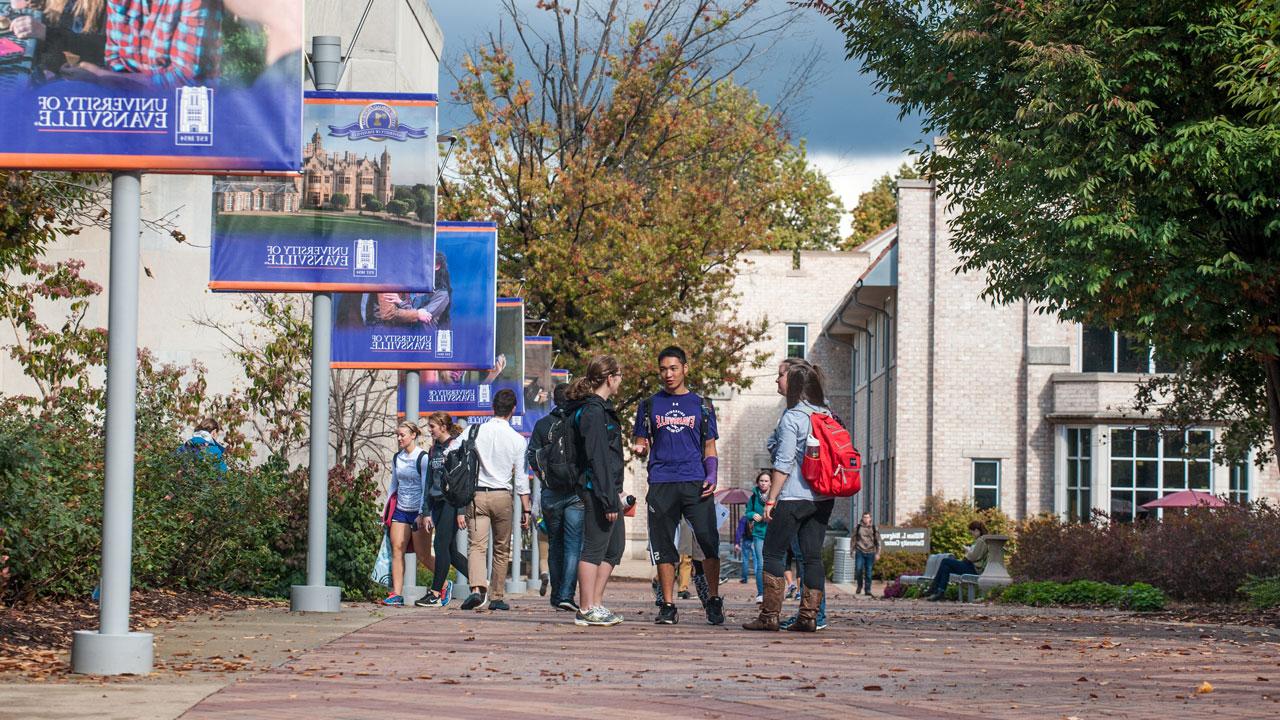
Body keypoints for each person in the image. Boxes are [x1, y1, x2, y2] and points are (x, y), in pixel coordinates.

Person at [633, 346, 725, 626]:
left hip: (695, 482)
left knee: (708, 543)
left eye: (673, 368)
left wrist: (712, 476)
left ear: (685, 368)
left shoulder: (702, 405)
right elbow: (641, 440)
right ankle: (668, 605)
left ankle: (712, 600)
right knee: (663, 547)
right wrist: (639, 447)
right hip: (661, 482)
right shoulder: (648, 405)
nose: (668, 374)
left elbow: (710, 447)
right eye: (663, 369)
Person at [744, 358, 835, 633]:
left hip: (794, 495)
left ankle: (768, 616)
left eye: (781, 376)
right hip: (822, 497)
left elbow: (783, 463)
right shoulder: (826, 414)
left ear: (794, 383)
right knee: (812, 557)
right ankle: (809, 617)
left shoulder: (793, 417)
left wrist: (770, 499)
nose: (777, 380)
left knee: (772, 552)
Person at [564, 354, 627, 627]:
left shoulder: (599, 409)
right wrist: (607, 499)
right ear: (610, 378)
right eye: (620, 375)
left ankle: (596, 604)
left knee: (614, 547)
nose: (621, 380)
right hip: (598, 491)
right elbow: (596, 458)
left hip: (608, 489)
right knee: (594, 548)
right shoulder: (591, 411)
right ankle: (586, 607)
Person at [458, 389, 530, 612]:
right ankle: (497, 596)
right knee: (501, 547)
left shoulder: (474, 431)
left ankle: (477, 590)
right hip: (502, 495)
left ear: (493, 407)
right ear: (513, 410)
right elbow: (520, 479)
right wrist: (526, 509)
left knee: (477, 546)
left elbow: (454, 449)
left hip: (476, 495)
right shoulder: (518, 440)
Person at [63, 0, 224, 88]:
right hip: (131, 103)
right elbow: (114, 59)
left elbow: (185, 80)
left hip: (183, 117)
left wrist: (101, 77)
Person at [527, 382, 583, 612]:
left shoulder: (542, 425)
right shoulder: (578, 422)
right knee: (573, 545)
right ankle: (566, 595)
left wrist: (544, 474)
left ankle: (555, 594)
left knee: (554, 544)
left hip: (550, 492)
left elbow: (532, 456)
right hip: (575, 493)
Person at [413, 412, 468, 608]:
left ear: (443, 427)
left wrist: (461, 510)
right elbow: (429, 481)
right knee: (451, 552)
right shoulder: (434, 450)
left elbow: (461, 482)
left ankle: (436, 593)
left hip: (450, 503)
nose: (430, 430)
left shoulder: (456, 447)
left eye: (432, 427)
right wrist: (426, 512)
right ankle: (480, 582)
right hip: (435, 503)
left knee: (440, 547)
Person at [382, 421, 428, 607]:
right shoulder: (397, 458)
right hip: (401, 510)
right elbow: (394, 484)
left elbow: (425, 487)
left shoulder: (422, 458)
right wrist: (385, 509)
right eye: (398, 435)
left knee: (422, 554)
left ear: (413, 435)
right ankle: (396, 594)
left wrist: (422, 513)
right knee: (397, 550)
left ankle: (442, 585)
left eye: (403, 435)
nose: (399, 438)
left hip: (417, 512)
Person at [9, 0, 107, 75]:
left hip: (85, 76)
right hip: (56, 66)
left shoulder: (111, 4)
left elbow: (102, 48)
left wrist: (46, 32)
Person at [926, 521, 990, 601]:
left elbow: (973, 557)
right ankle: (940, 592)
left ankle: (934, 588)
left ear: (977, 530)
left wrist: (968, 551)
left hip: (974, 569)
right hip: (971, 566)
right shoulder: (982, 540)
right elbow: (976, 555)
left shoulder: (981, 540)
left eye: (972, 533)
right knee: (946, 567)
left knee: (945, 561)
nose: (972, 535)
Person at [742, 471, 771, 602]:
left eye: (766, 481)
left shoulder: (775, 496)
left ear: (771, 483)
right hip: (759, 533)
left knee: (774, 564)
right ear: (758, 482)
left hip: (773, 533)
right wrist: (752, 514)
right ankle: (761, 593)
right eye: (761, 481)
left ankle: (774, 592)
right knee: (760, 563)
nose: (763, 483)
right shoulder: (753, 497)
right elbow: (747, 512)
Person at [854, 512, 881, 598]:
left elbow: (878, 541)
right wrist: (852, 551)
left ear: (870, 519)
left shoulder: (874, 528)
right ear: (862, 518)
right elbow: (853, 539)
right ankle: (859, 585)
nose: (866, 519)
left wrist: (878, 553)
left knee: (868, 572)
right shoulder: (858, 528)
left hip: (870, 552)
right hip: (860, 551)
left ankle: (868, 590)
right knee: (858, 569)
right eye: (864, 517)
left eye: (867, 517)